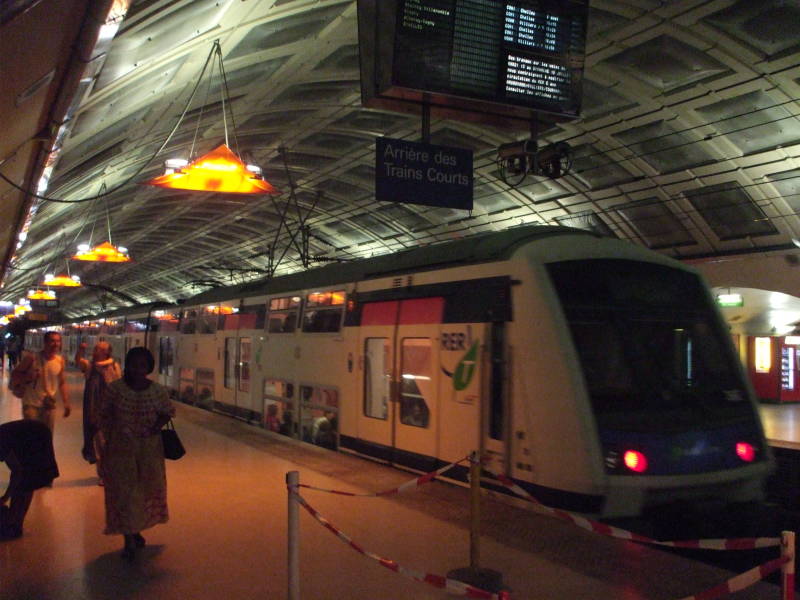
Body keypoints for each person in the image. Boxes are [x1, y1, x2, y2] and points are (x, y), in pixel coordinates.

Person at [98, 347, 175, 561]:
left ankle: (135, 531)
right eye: (134, 364)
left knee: (142, 492)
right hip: (120, 450)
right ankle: (129, 539)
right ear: (128, 365)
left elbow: (167, 412)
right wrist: (104, 442)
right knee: (124, 493)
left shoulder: (158, 391)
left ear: (149, 368)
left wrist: (154, 428)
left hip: (149, 451)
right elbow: (103, 415)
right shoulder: (115, 390)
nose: (138, 369)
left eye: (142, 365)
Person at [0, 419, 59, 539]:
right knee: (27, 481)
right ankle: (16, 524)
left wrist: (6, 496)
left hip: (36, 436)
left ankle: (14, 524)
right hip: (35, 432)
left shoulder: (2, 442)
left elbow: (17, 471)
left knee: (26, 481)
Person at [75, 341, 122, 484]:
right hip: (93, 410)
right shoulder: (90, 366)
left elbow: (119, 387)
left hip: (110, 411)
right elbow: (78, 361)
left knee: (109, 442)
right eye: (95, 348)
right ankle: (103, 473)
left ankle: (110, 472)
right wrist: (80, 349)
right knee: (98, 442)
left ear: (106, 352)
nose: (95, 350)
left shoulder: (114, 366)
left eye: (99, 349)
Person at [10, 332, 71, 432]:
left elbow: (62, 382)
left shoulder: (60, 361)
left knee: (47, 435)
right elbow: (15, 374)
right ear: (45, 343)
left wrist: (66, 402)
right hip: (31, 405)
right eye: (52, 341)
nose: (56, 344)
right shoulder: (32, 358)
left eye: (58, 341)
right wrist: (28, 377)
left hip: (49, 405)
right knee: (31, 436)